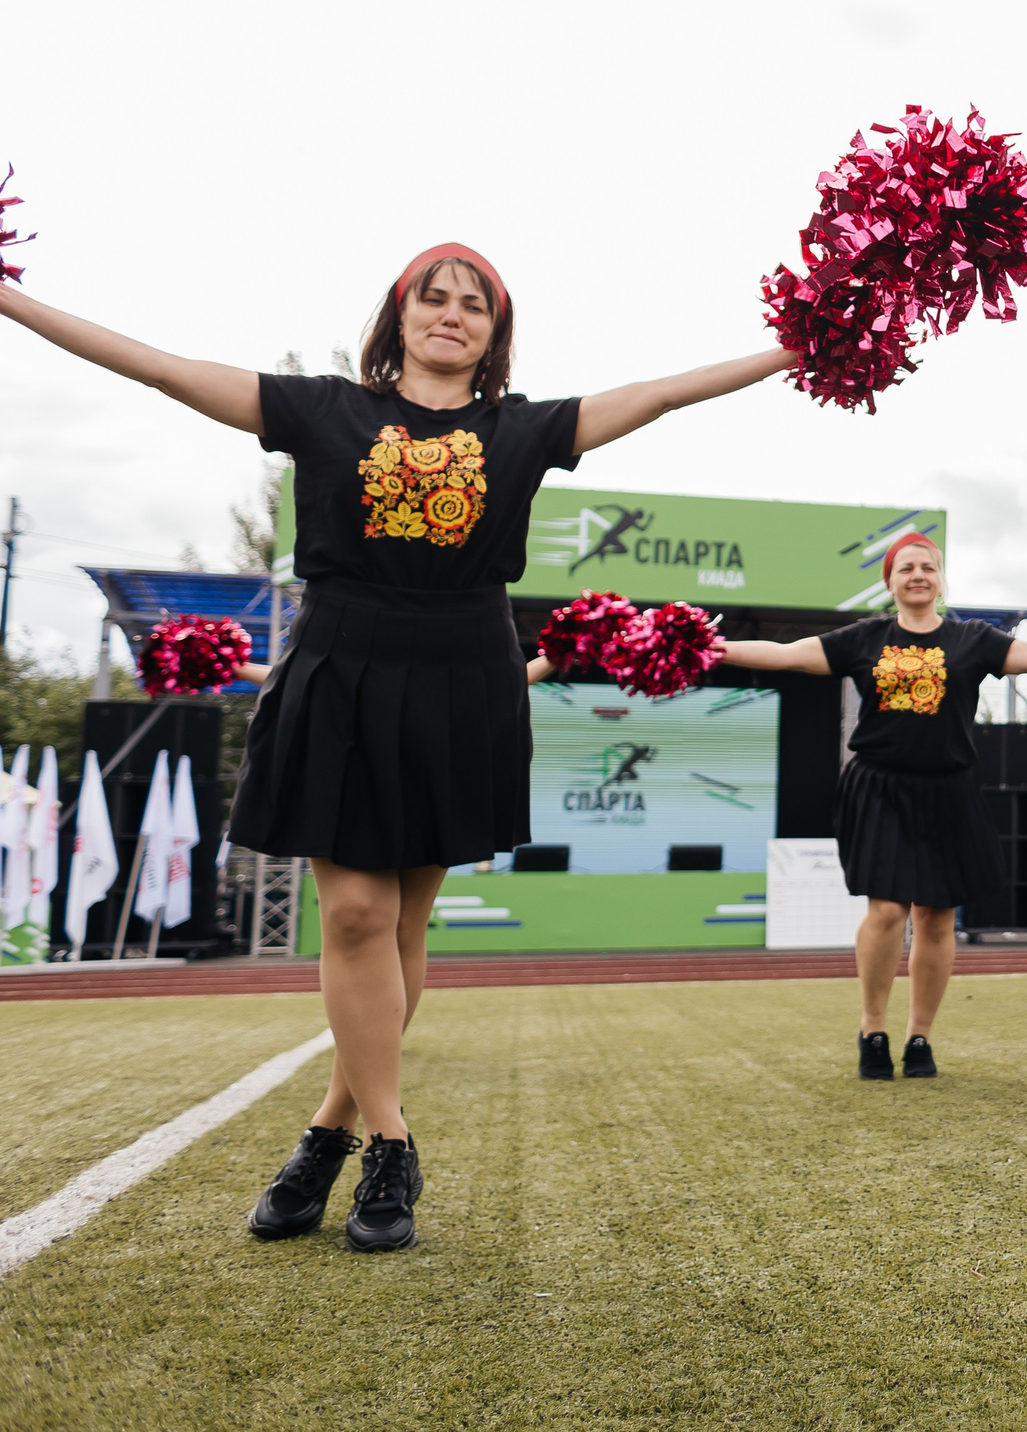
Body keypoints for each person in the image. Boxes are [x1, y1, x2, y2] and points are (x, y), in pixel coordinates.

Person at [0, 242, 795, 1250]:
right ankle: (390, 1143)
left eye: (475, 305)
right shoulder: (323, 410)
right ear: (399, 314)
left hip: (464, 672)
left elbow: (661, 394)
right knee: (360, 913)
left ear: (495, 335)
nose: (452, 314)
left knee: (409, 925)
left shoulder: (524, 429)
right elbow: (159, 367)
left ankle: (325, 1135)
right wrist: (10, 297)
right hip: (343, 663)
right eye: (435, 297)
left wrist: (789, 350)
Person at [720, 534, 1027, 1080]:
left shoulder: (972, 639)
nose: (917, 575)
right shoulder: (866, 638)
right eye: (906, 567)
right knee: (886, 910)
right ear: (890, 581)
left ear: (940, 577)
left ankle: (920, 1037)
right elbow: (787, 656)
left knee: (937, 917)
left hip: (947, 789)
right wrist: (712, 648)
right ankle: (873, 1029)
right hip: (878, 786)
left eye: (927, 566)